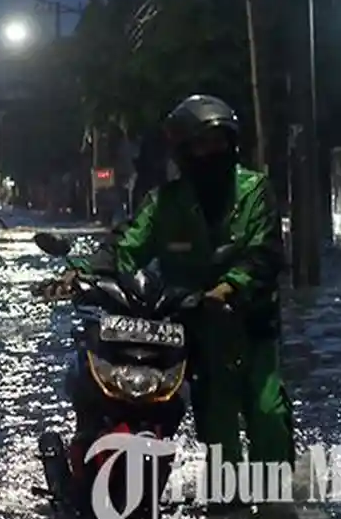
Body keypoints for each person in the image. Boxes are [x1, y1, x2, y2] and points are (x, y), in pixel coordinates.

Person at [48, 95, 295, 496]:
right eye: (201, 144)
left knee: (267, 413)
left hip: (251, 325)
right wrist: (82, 273)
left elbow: (265, 252)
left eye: (218, 142)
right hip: (196, 332)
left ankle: (276, 508)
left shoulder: (255, 191)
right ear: (183, 151)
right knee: (217, 429)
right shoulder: (165, 203)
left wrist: (228, 287)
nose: (211, 153)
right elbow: (126, 244)